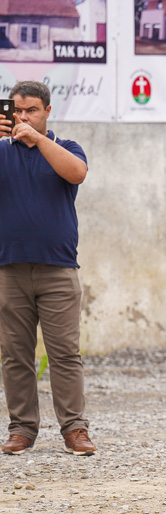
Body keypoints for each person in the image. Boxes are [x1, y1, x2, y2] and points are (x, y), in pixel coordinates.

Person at [0, 81, 96, 457]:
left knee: (65, 354)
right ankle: (21, 429)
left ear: (47, 112)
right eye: (17, 111)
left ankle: (74, 428)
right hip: (10, 269)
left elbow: (77, 174)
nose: (23, 117)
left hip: (58, 270)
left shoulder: (64, 148)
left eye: (32, 111)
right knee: (14, 354)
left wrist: (38, 140)